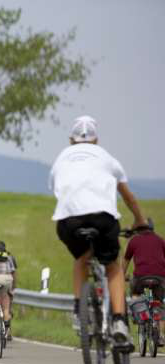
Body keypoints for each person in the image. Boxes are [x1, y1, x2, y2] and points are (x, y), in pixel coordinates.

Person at [49, 115, 146, 345]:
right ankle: (120, 321)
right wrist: (139, 220)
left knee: (82, 258)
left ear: (71, 140)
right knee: (113, 267)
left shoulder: (62, 157)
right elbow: (128, 196)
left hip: (69, 220)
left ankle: (77, 312)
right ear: (96, 140)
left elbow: (55, 187)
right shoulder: (106, 157)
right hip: (103, 218)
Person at [123, 223, 165, 345]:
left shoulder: (134, 241)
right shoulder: (160, 240)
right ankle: (161, 335)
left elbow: (126, 260)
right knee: (159, 304)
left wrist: (122, 275)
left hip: (140, 277)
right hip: (159, 278)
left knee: (135, 293)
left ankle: (141, 316)